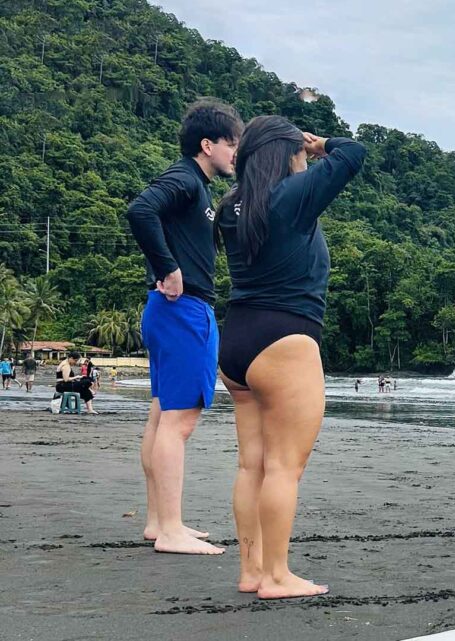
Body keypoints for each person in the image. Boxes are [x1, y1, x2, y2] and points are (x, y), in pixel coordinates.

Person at [216, 115, 365, 598]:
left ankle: (252, 570)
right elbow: (354, 154)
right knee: (283, 467)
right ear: (288, 155)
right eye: (300, 154)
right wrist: (321, 143)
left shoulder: (230, 207)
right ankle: (277, 576)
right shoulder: (289, 199)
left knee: (251, 466)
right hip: (286, 341)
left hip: (236, 341)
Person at [126, 98, 242, 555]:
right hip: (181, 309)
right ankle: (170, 530)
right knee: (179, 421)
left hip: (171, 312)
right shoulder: (185, 179)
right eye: (232, 144)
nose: (236, 152)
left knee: (161, 416)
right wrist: (167, 266)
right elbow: (140, 211)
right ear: (207, 144)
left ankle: (159, 522)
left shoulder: (198, 185)